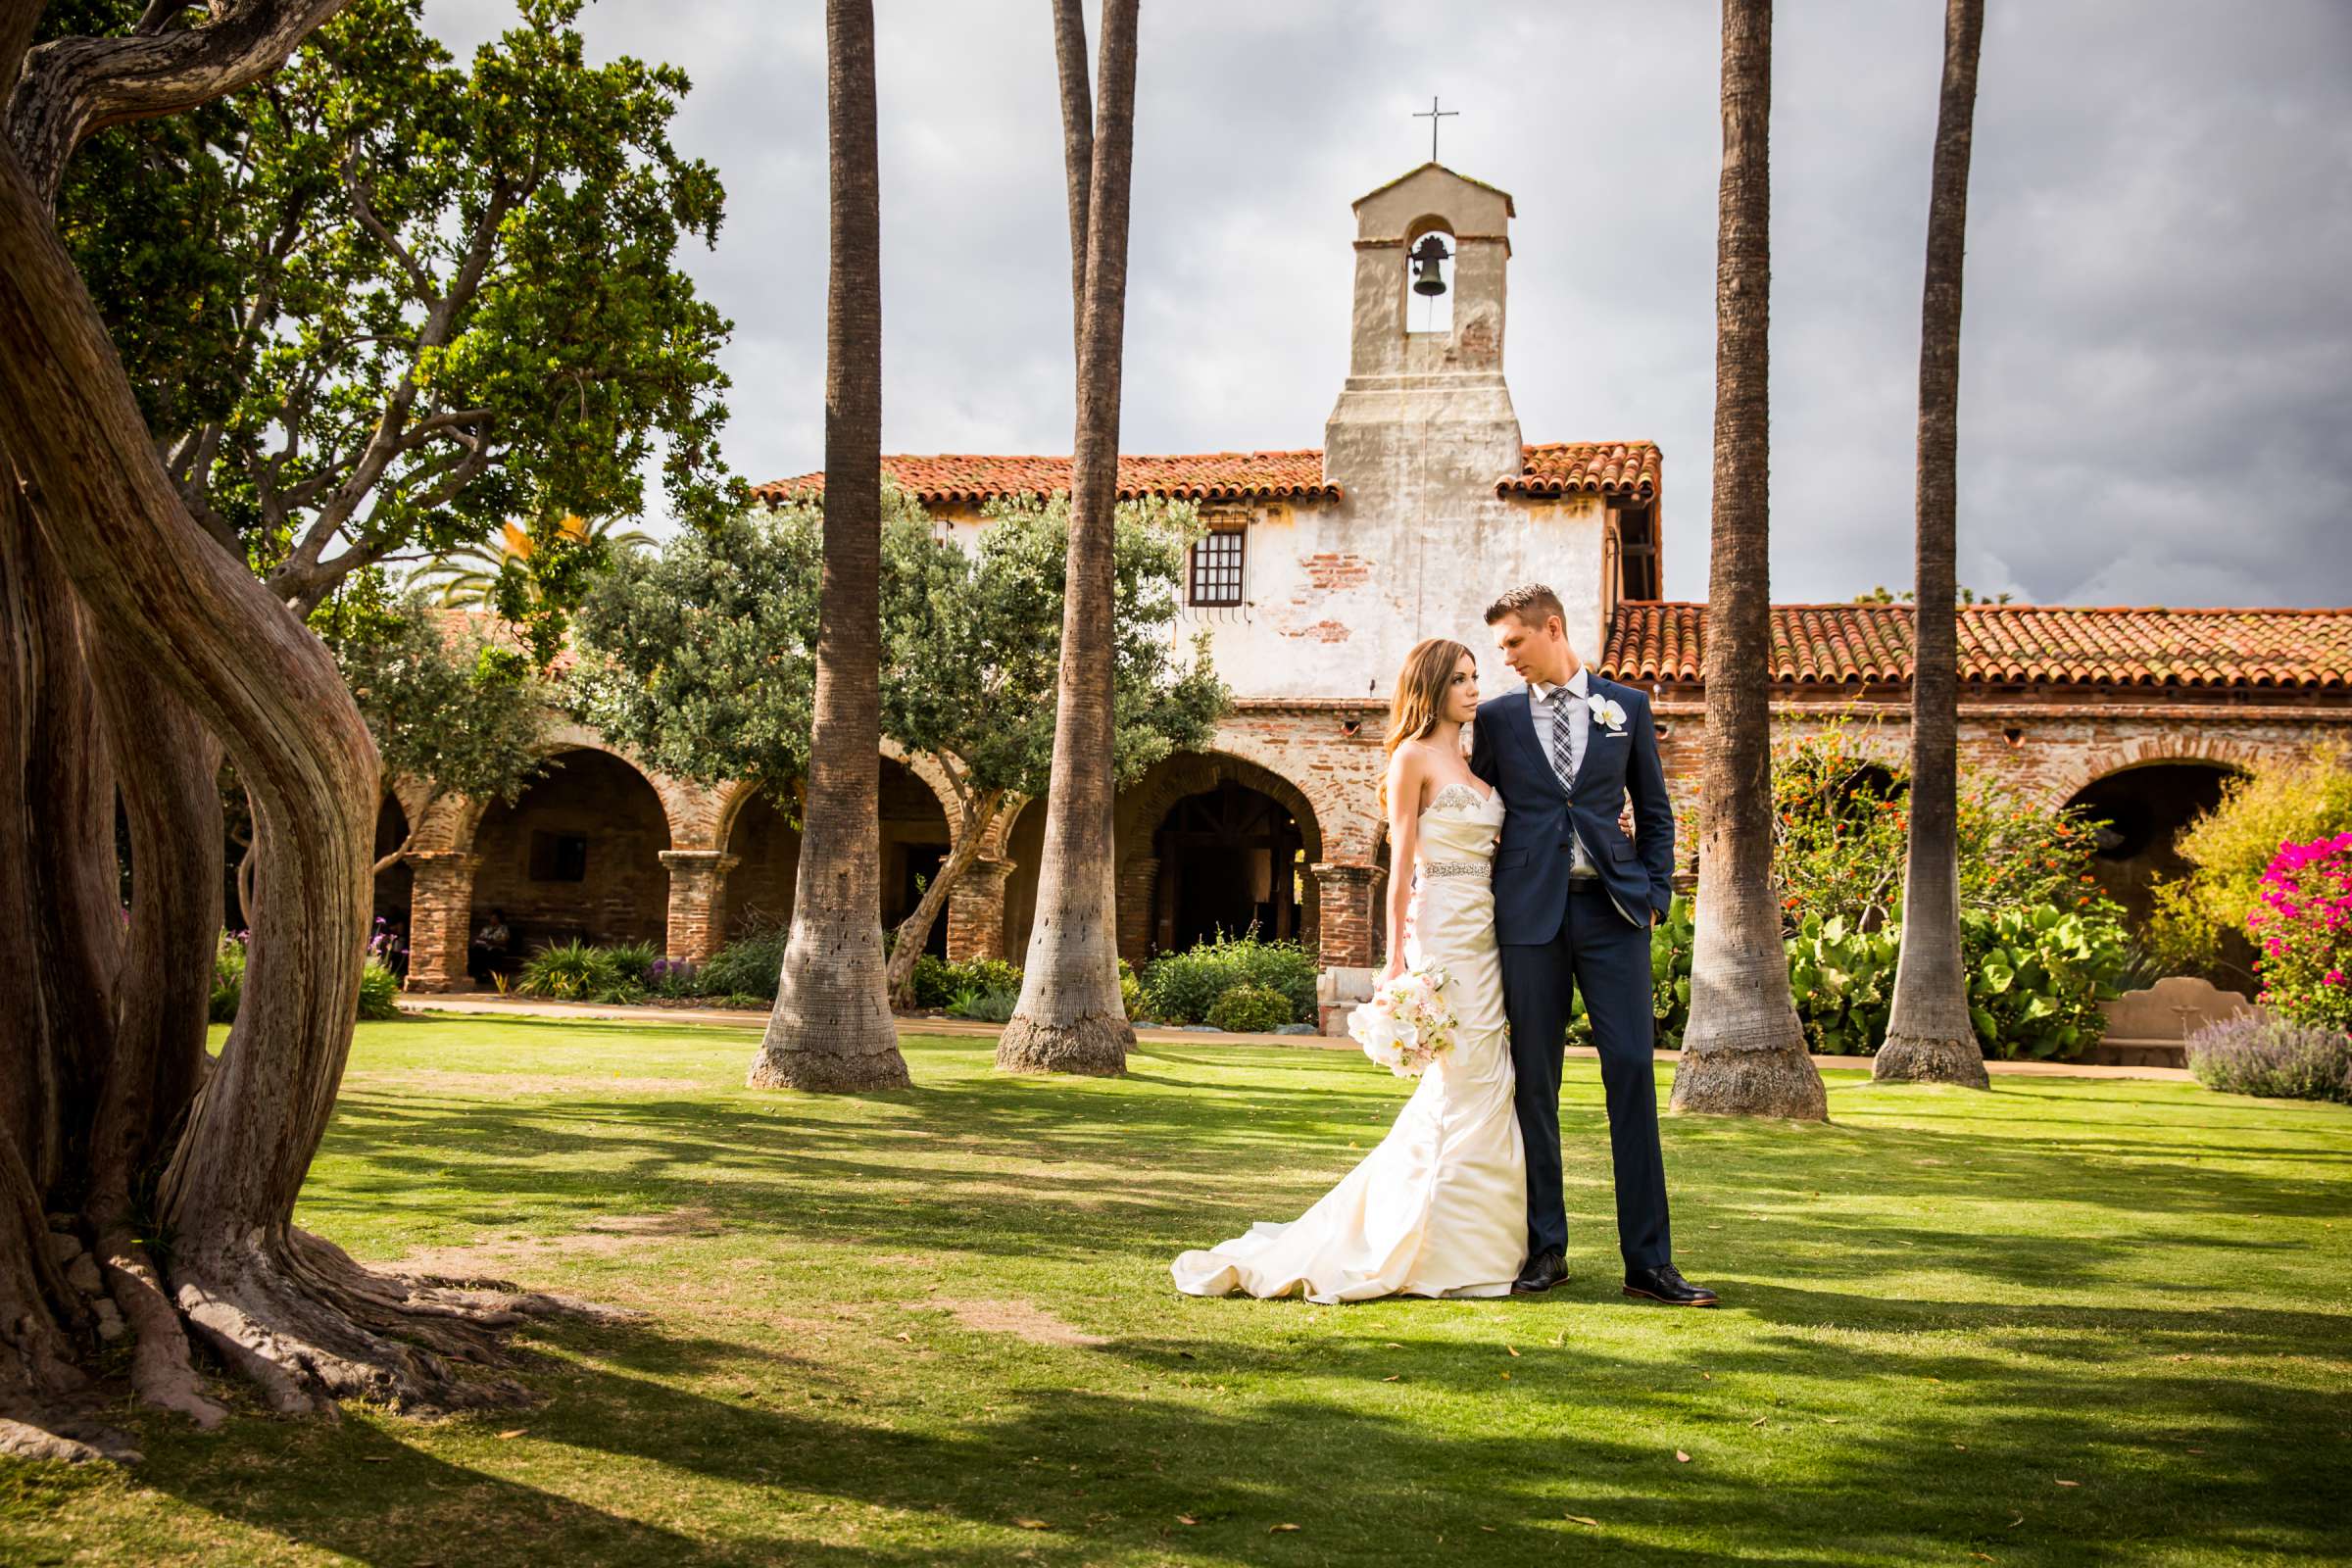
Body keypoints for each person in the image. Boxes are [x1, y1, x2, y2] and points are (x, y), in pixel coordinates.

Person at [1171, 638, 1525, 1302]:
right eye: (1460, 680)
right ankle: (1425, 1244)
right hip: (1442, 924)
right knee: (1463, 1073)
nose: (1474, 690)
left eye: (1477, 678)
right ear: (1431, 687)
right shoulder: (1411, 758)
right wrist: (1393, 958)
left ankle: (1479, 1243)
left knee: (1488, 1074)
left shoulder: (1475, 761)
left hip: (1487, 926)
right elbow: (1398, 868)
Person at [1473, 583, 1717, 1306]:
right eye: (1499, 648)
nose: (1506, 658)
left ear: (1552, 628)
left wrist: (1654, 896)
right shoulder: (1496, 720)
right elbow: (1482, 815)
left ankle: (1649, 1262)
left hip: (1614, 917)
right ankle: (1546, 1249)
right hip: (1529, 921)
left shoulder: (1627, 708)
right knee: (1535, 1085)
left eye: (1514, 642)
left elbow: (1656, 810)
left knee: (1633, 1076)